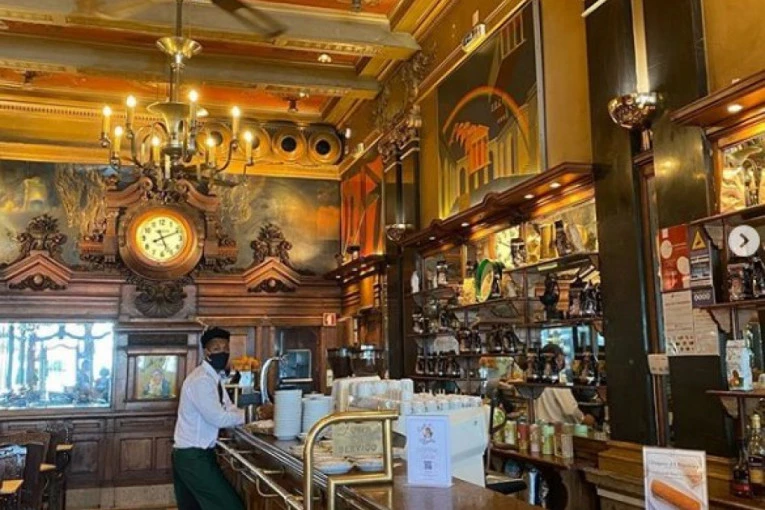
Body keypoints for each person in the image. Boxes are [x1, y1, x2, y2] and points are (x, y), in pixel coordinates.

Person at [172, 327, 245, 510]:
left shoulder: (214, 378)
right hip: (193, 456)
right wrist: (251, 416)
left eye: (226, 348)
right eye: (217, 348)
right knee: (230, 506)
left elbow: (228, 407)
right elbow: (218, 418)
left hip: (196, 455)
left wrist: (242, 414)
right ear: (206, 352)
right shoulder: (201, 380)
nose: (223, 352)